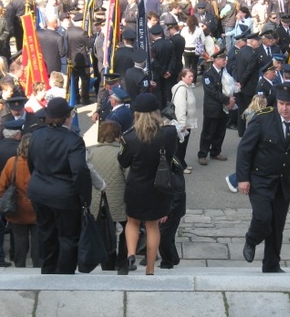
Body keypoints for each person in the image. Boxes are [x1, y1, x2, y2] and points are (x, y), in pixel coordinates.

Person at [237, 83, 290, 273]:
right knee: (263, 217)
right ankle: (251, 239)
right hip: (260, 178)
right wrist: (242, 179)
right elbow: (244, 150)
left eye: (288, 104)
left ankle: (272, 265)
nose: (284, 108)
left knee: (277, 225)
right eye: (281, 103)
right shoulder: (263, 119)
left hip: (283, 182)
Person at [27, 97, 92, 274]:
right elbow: (79, 170)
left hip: (39, 192)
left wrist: (39, 180)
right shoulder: (73, 140)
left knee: (46, 233)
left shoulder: (36, 135)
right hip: (65, 195)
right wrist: (85, 198)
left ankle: (48, 270)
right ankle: (64, 274)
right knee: (68, 237)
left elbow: (31, 163)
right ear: (67, 117)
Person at [117, 93, 178, 275]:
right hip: (158, 187)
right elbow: (172, 155)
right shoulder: (168, 134)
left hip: (136, 187)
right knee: (152, 226)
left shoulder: (129, 138)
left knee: (132, 222)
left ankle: (130, 253)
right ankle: (150, 268)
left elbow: (123, 162)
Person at [87, 121, 128, 271]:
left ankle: (108, 263)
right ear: (118, 135)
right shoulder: (121, 153)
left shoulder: (90, 152)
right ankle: (122, 260)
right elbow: (128, 177)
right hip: (118, 199)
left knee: (104, 232)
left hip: (98, 199)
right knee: (126, 228)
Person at [0, 134, 40, 268]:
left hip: (17, 208)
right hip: (37, 208)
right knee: (38, 243)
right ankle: (38, 267)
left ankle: (20, 266)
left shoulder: (12, 162)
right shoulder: (41, 162)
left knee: (19, 242)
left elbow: (2, 186)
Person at [197, 51, 235, 166]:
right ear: (216, 60)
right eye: (223, 59)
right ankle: (202, 154)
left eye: (225, 59)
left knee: (220, 132)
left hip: (223, 108)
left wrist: (232, 96)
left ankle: (215, 152)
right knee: (208, 132)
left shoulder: (225, 71)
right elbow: (212, 92)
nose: (225, 61)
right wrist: (227, 100)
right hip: (213, 108)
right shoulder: (208, 74)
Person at [170, 68, 197, 174]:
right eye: (189, 76)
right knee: (180, 146)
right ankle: (178, 166)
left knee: (183, 145)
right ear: (182, 77)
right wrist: (182, 123)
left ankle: (182, 163)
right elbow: (180, 107)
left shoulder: (187, 87)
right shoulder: (182, 89)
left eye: (192, 76)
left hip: (187, 122)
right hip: (183, 123)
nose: (192, 78)